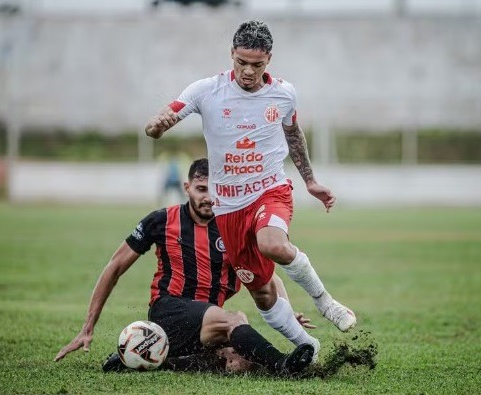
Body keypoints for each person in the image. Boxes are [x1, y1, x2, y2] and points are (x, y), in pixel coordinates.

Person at [144, 20, 357, 361]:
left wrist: (310, 182)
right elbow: (166, 115)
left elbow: (293, 135)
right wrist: (158, 125)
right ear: (232, 54)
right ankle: (310, 347)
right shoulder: (206, 90)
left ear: (268, 60)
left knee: (272, 243)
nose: (247, 71)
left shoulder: (284, 93)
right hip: (228, 207)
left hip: (269, 189)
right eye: (241, 62)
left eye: (256, 65)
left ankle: (326, 303)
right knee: (262, 294)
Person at [54, 158, 314, 376]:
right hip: (169, 311)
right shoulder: (161, 220)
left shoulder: (232, 227)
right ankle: (284, 364)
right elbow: (115, 267)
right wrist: (87, 327)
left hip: (206, 323)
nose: (209, 198)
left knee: (242, 364)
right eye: (201, 189)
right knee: (236, 320)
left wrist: (286, 313)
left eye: (216, 190)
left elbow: (265, 277)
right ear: (187, 187)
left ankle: (152, 360)